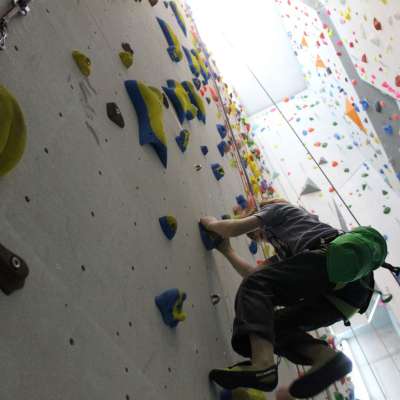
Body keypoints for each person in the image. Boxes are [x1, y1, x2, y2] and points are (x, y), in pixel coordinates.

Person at [200, 199, 387, 399]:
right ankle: (326, 357)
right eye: (259, 238)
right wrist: (227, 251)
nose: (262, 237)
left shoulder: (278, 209)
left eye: (258, 231)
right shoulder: (288, 254)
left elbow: (233, 229)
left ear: (258, 211)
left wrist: (210, 223)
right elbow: (254, 276)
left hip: (333, 258)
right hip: (345, 300)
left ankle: (263, 366)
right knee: (271, 325)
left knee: (257, 285)